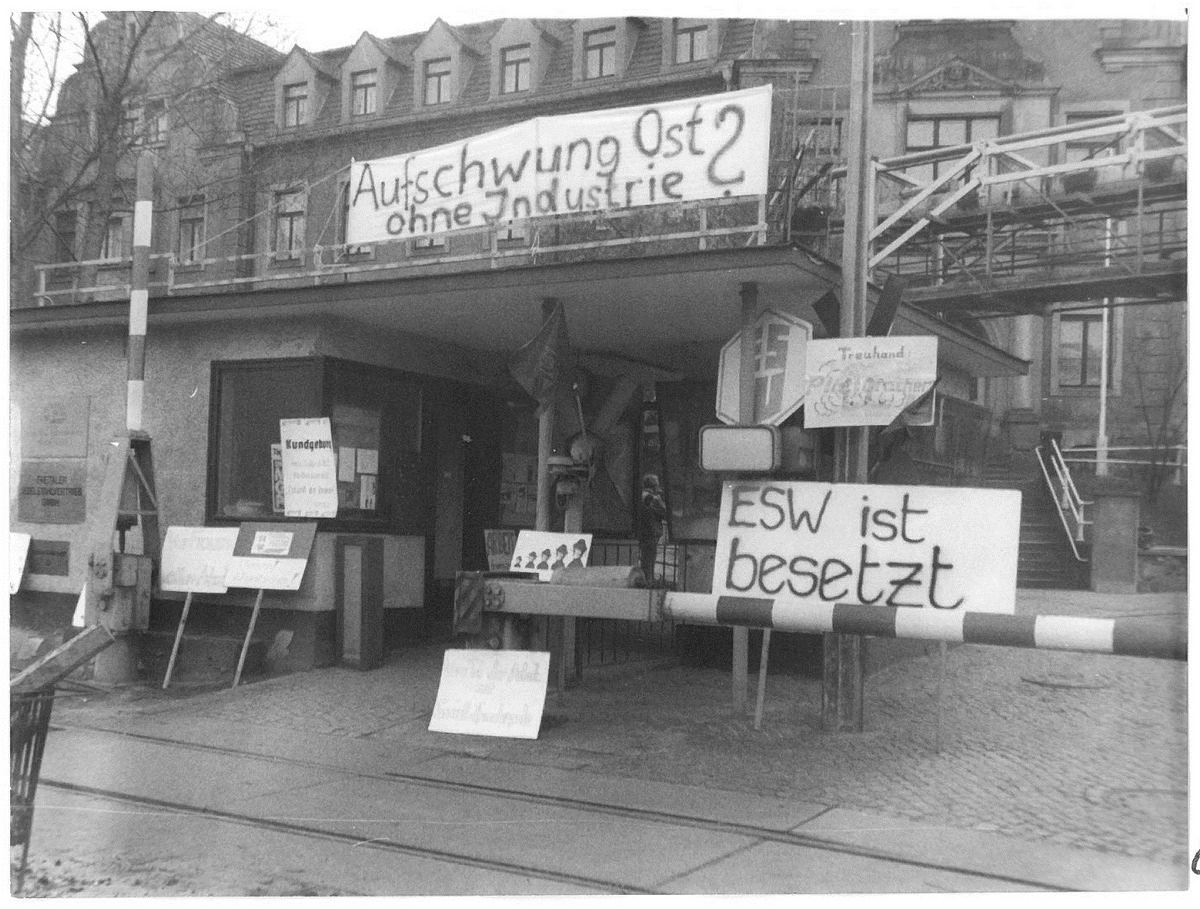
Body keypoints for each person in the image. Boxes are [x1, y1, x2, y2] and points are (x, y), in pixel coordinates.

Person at [638, 474, 667, 585]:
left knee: (645, 557)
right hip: (652, 530)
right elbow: (663, 512)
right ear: (654, 485)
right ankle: (648, 580)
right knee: (649, 557)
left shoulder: (641, 495)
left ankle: (646, 578)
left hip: (643, 530)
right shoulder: (652, 498)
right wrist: (660, 500)